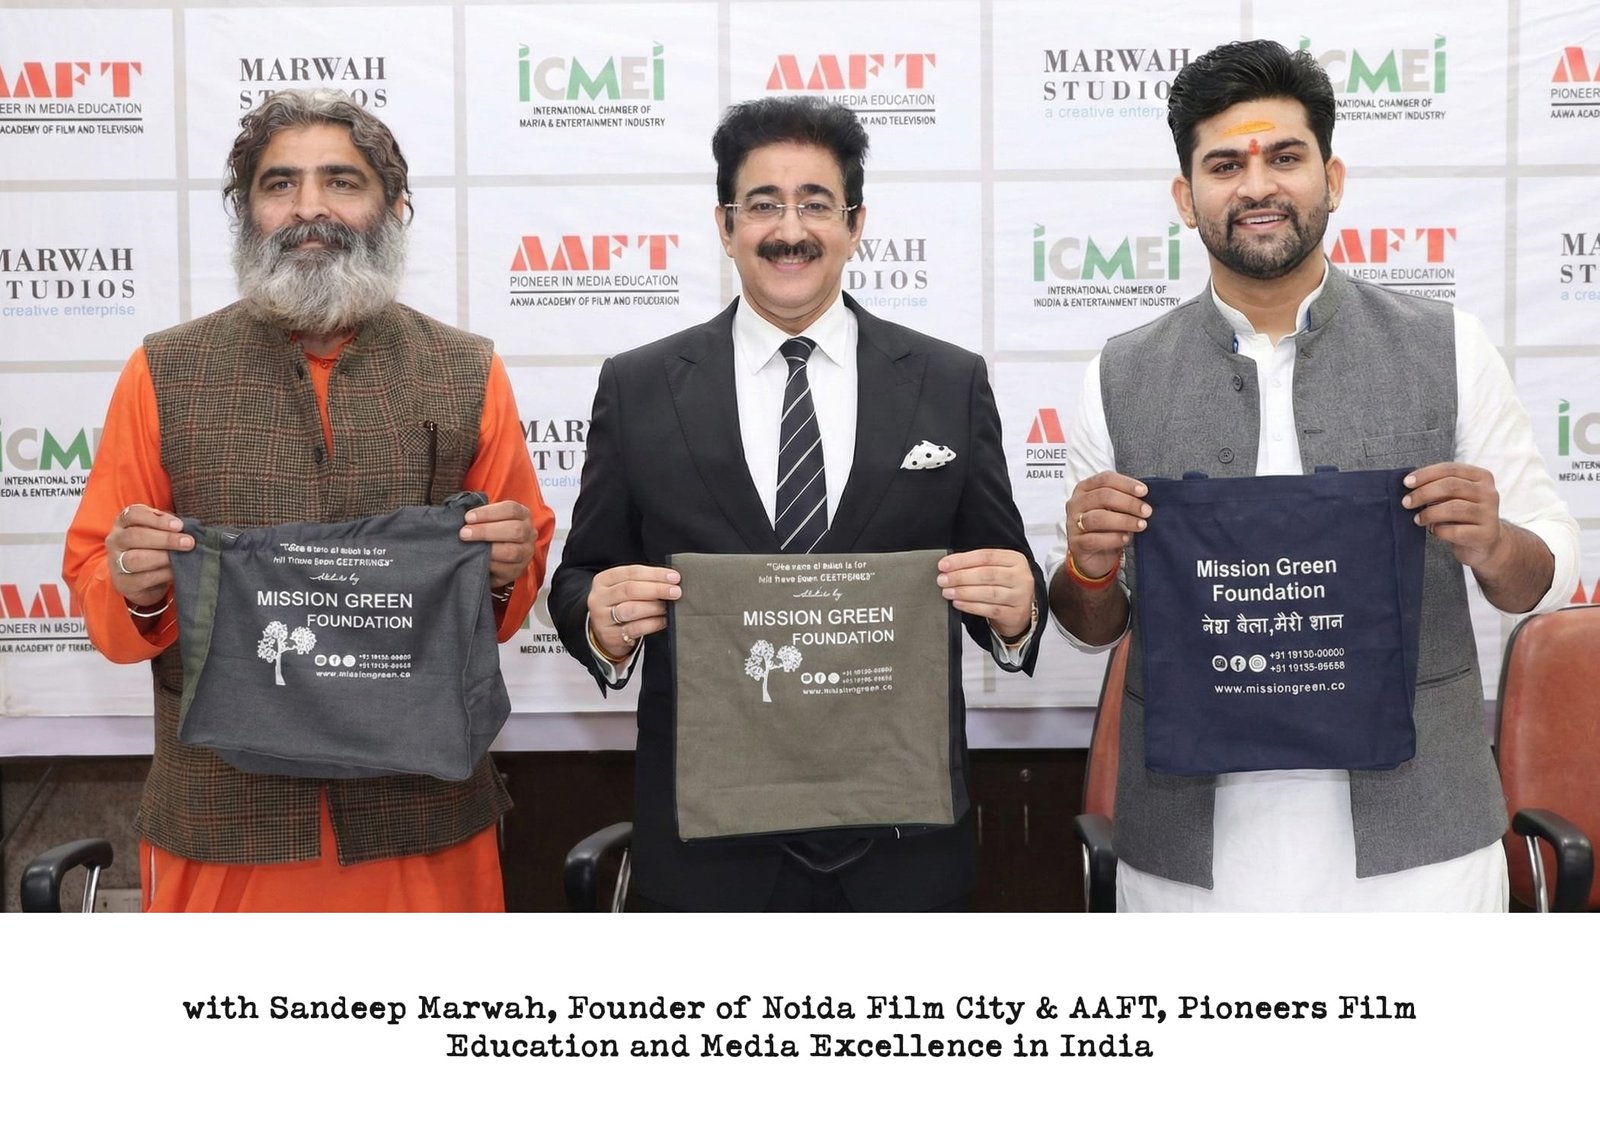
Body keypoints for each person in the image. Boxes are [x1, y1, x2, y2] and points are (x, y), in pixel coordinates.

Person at [1049, 40, 1580, 911]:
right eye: (1226, 165)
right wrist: (1089, 567)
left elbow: (1542, 579)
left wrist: (1492, 542)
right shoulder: (1119, 375)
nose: (1257, 186)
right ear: (1185, 197)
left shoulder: (1448, 347)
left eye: (1285, 158)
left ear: (1331, 179)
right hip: (1194, 860)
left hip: (1422, 854)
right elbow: (1088, 624)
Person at [62, 89, 555, 912]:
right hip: (221, 827)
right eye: (280, 184)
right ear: (246, 211)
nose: (310, 208)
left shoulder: (469, 370)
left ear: (394, 208)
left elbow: (511, 598)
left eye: (342, 181)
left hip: (423, 822)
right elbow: (99, 591)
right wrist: (137, 588)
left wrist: (505, 570)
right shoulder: (163, 372)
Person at [550, 95, 1045, 911]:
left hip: (902, 845)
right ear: (725, 225)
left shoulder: (949, 381)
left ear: (855, 224)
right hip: (709, 853)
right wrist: (599, 620)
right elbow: (580, 577)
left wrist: (1018, 610)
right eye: (763, 205)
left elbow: (1004, 566)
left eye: (816, 204)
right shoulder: (639, 387)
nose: (790, 230)